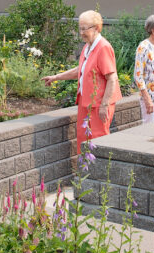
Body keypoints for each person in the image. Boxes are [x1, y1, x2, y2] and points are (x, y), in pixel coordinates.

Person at [42, 10, 121, 153]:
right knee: (83, 138)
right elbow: (81, 69)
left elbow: (112, 78)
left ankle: (97, 174)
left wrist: (105, 105)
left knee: (97, 141)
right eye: (80, 28)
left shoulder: (103, 47)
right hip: (86, 102)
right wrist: (56, 77)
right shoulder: (88, 46)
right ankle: (83, 172)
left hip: (98, 104)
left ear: (96, 28)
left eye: (84, 29)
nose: (81, 32)